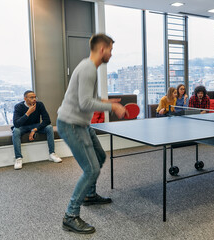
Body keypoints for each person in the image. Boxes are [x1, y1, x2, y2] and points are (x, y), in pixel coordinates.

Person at [57, 33, 126, 234]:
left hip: (80, 123)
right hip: (71, 124)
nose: (111, 54)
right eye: (111, 50)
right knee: (91, 169)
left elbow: (89, 97)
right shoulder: (88, 68)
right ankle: (70, 216)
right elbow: (85, 103)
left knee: (100, 156)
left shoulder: (88, 67)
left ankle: (89, 195)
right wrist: (113, 109)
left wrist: (108, 102)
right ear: (102, 49)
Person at [12, 90, 62, 170]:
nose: (34, 99)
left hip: (35, 126)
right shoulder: (18, 106)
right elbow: (16, 124)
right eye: (31, 97)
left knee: (49, 127)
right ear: (25, 99)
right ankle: (18, 158)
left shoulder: (39, 105)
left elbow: (47, 120)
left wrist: (34, 129)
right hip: (23, 127)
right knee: (16, 130)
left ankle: (52, 153)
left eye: (35, 97)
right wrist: (28, 113)